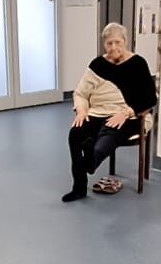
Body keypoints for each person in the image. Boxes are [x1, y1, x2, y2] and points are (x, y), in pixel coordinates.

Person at [63, 23, 156, 202]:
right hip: (97, 113)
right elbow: (80, 93)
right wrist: (81, 110)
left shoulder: (138, 63)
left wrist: (127, 112)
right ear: (104, 45)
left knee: (106, 139)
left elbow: (150, 97)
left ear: (125, 41)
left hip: (128, 116)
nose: (113, 47)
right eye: (109, 43)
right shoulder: (97, 64)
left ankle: (89, 163)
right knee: (75, 134)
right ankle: (79, 188)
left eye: (117, 42)